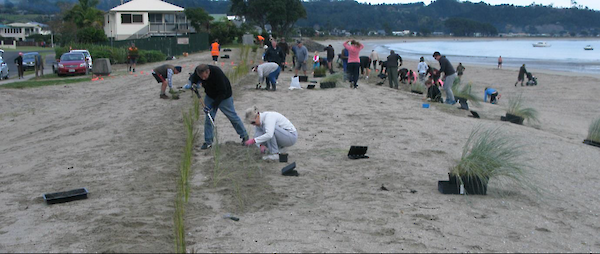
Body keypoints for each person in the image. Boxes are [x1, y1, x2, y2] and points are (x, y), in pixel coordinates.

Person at [187, 64, 249, 149]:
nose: (203, 79)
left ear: (208, 71)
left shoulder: (217, 74)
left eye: (204, 77)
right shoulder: (198, 71)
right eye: (201, 77)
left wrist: (212, 106)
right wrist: (191, 84)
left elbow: (222, 93)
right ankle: (208, 141)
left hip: (224, 97)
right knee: (208, 119)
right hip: (210, 96)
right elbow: (193, 78)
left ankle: (245, 137)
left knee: (232, 117)